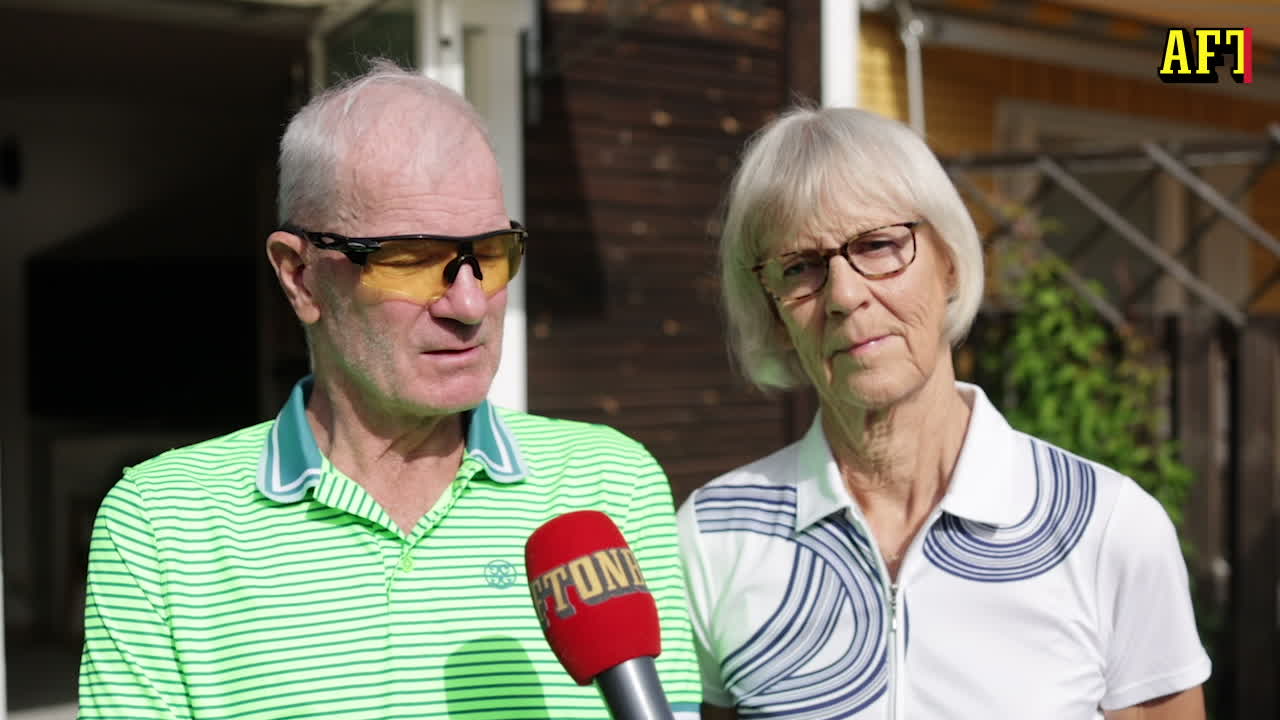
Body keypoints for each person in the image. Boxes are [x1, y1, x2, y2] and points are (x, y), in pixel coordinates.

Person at [78, 60, 701, 719]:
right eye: (411, 259)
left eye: (489, 254)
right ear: (299, 276)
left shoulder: (608, 485)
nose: (469, 302)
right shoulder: (160, 523)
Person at [678, 105, 1210, 720]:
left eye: (878, 245)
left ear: (950, 262)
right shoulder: (717, 535)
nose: (846, 296)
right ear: (773, 311)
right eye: (801, 268)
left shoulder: (1106, 528)